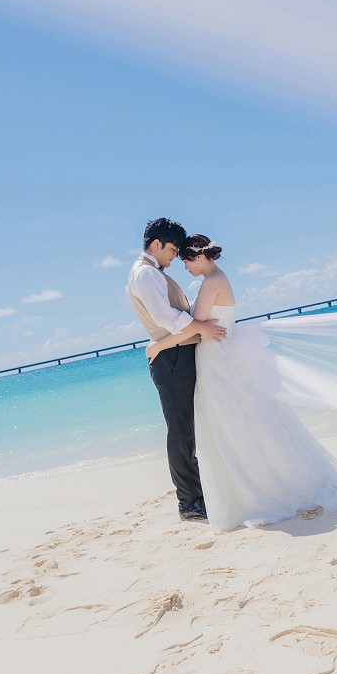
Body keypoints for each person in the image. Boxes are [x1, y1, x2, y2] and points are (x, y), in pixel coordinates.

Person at [145, 233, 337, 531]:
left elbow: (194, 325)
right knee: (233, 423)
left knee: (234, 423)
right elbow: (198, 325)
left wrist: (159, 346)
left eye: (186, 261)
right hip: (217, 358)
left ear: (198, 257)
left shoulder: (212, 281)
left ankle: (258, 487)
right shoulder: (214, 279)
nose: (185, 268)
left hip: (219, 360)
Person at [126, 217, 228, 521]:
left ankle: (197, 494)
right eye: (172, 249)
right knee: (181, 430)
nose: (174, 256)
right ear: (157, 244)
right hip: (171, 357)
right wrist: (201, 327)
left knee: (187, 428)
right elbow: (165, 318)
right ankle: (189, 502)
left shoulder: (153, 273)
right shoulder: (145, 273)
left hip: (176, 353)